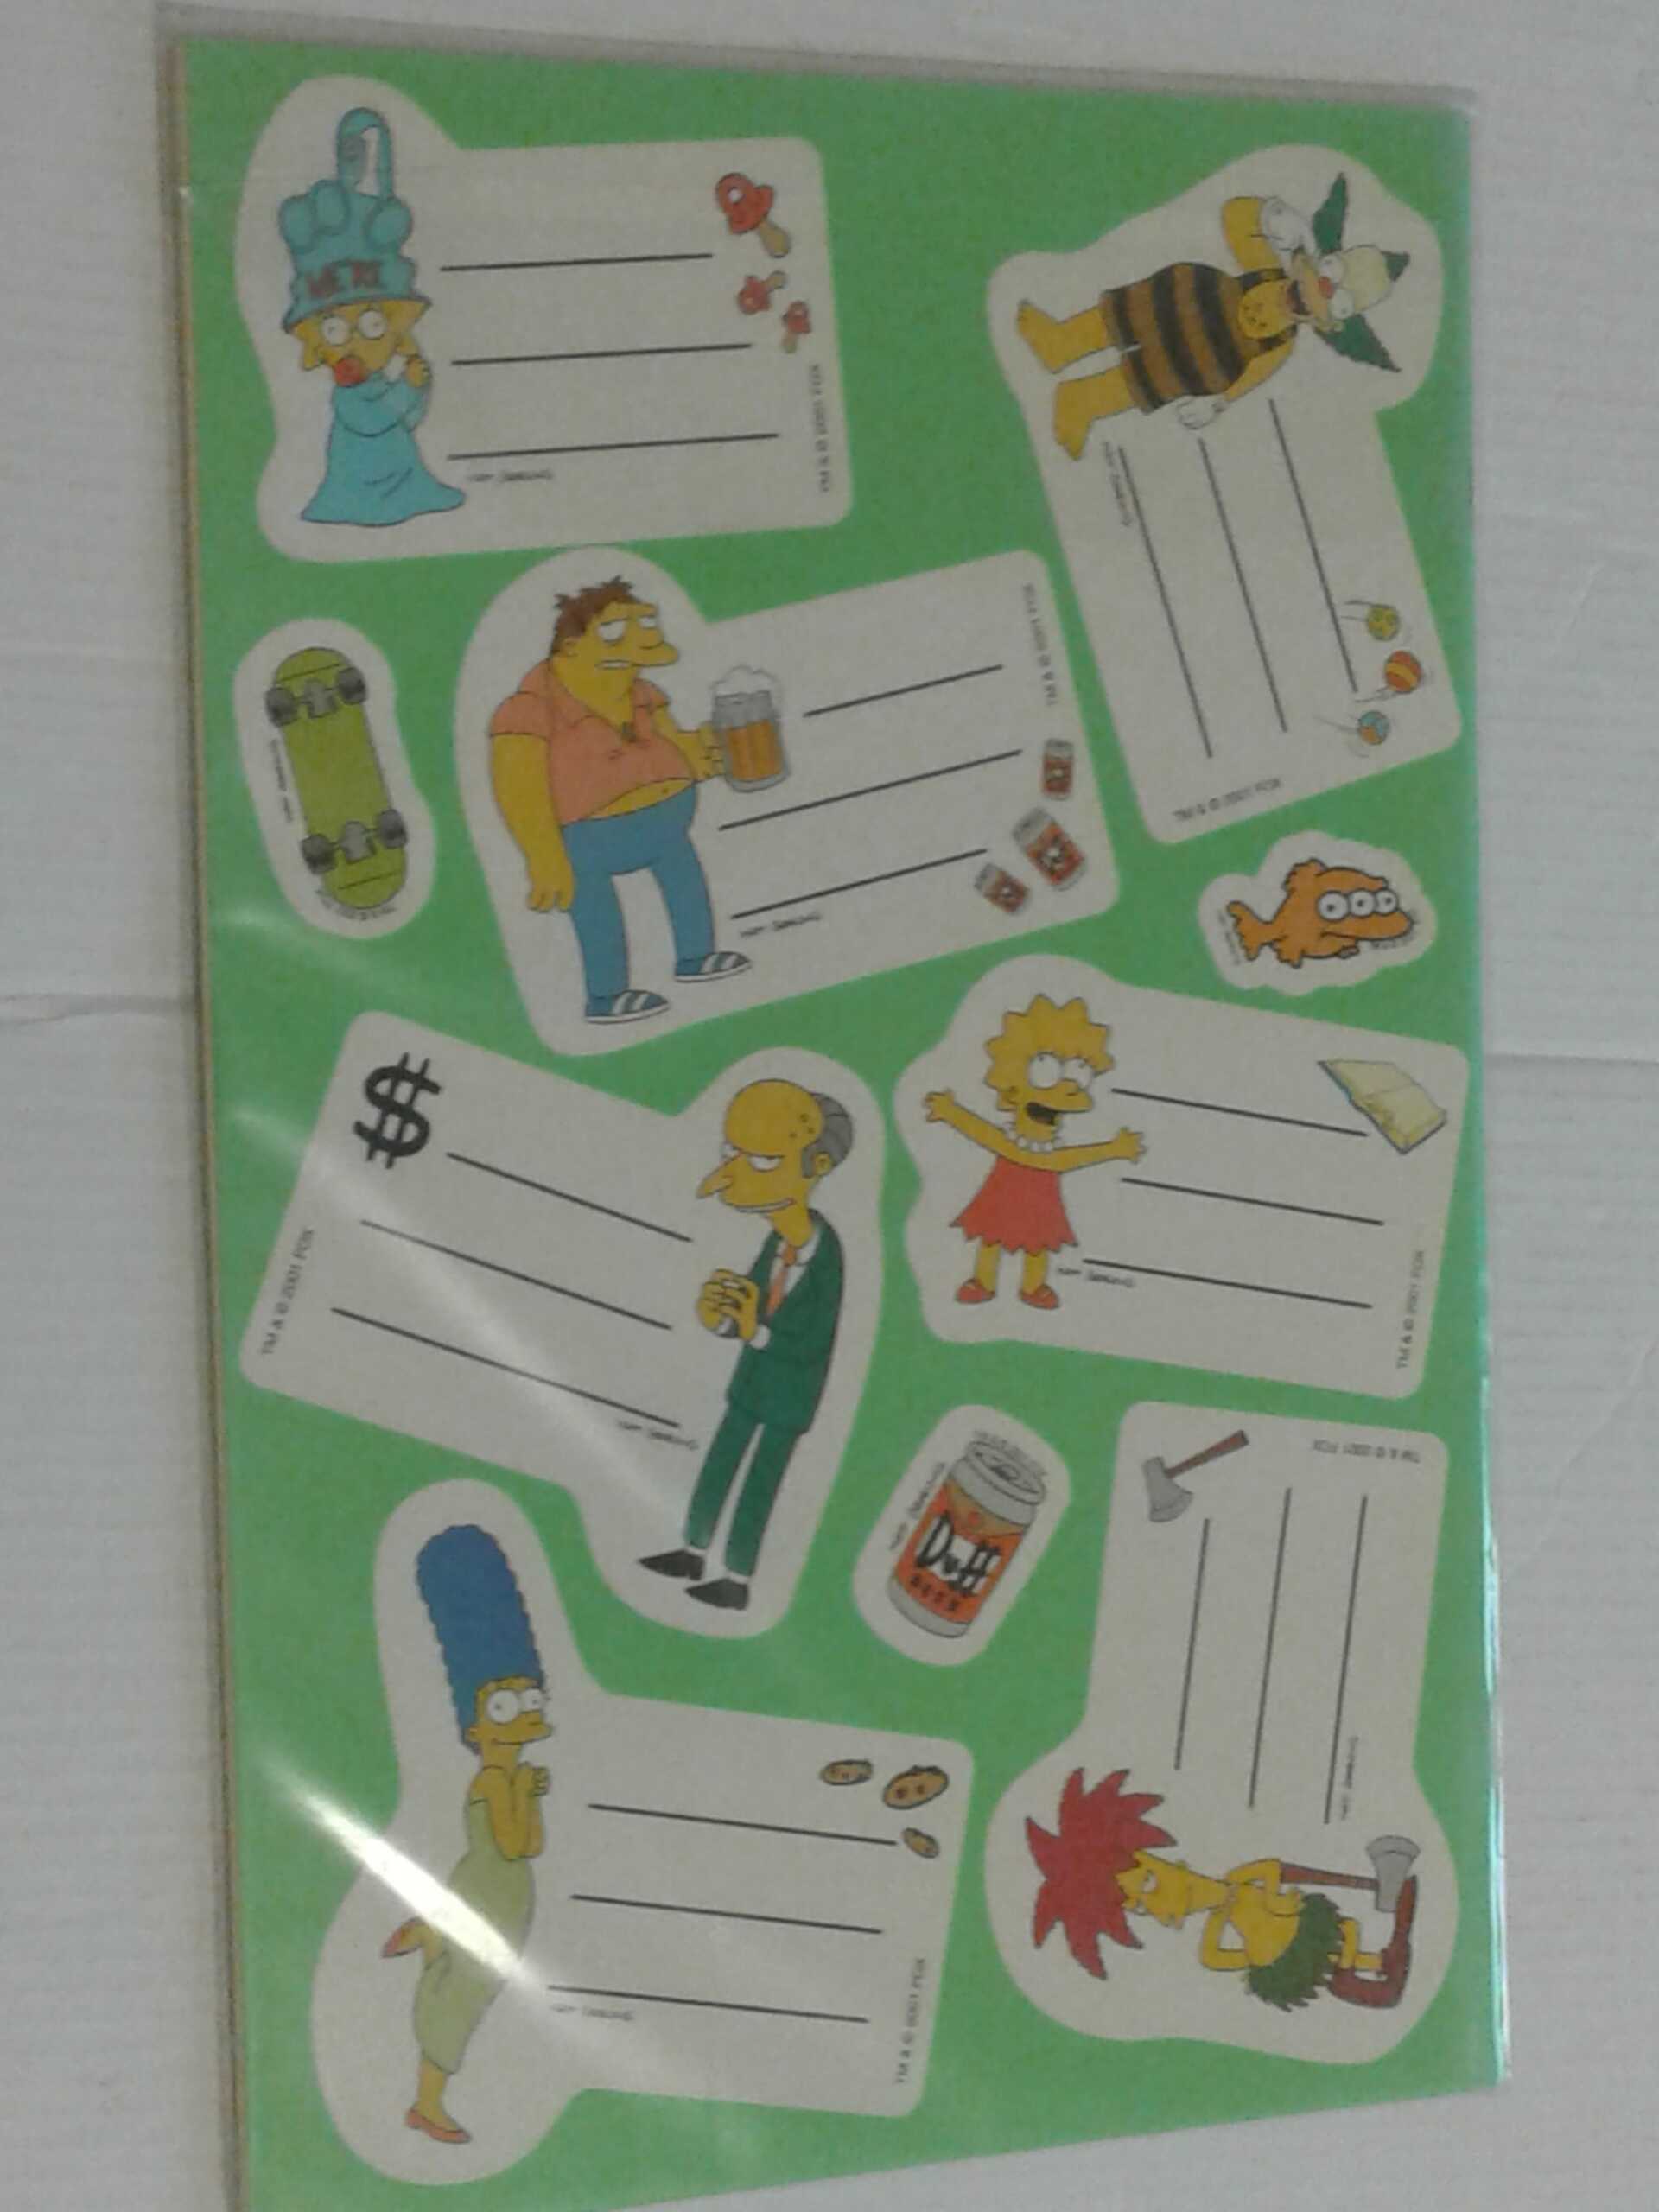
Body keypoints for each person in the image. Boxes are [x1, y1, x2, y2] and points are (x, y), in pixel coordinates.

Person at [490, 579, 751, 1023]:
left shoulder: (641, 693)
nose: (640, 634)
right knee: (594, 906)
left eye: (644, 621)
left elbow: (673, 740)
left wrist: (701, 751)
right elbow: (518, 787)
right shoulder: (531, 709)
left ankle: (696, 955)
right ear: (572, 647)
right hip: (588, 838)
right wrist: (544, 856)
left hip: (668, 827)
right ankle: (607, 995)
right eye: (614, 629)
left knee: (683, 876)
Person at [640, 1080, 851, 1612]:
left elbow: (812, 1340)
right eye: (731, 1153)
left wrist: (755, 1329)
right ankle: (692, 1550)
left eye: (762, 1160)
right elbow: (753, 1301)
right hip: (752, 1381)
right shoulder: (776, 1241)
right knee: (720, 1461)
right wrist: (722, 1320)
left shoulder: (827, 1256)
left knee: (761, 1482)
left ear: (816, 1166)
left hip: (790, 1394)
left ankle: (736, 1578)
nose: (732, 1172)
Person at [1014, 175, 1409, 457]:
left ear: (1329, 322)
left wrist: (1219, 403)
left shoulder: (1281, 347)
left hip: (1196, 363)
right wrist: (1272, 213)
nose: (1311, 297)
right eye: (1321, 279)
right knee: (1117, 319)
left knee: (1140, 381)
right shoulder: (1265, 266)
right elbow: (1234, 218)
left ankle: (1079, 402)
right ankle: (1058, 343)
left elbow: (1253, 375)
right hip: (1174, 303)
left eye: (1325, 304)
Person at [381, 1526, 550, 2145]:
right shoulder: (496, 1780)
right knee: (466, 1993)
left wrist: (527, 1793)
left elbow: (526, 1844)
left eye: (529, 1700)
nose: (525, 1713)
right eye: (506, 1706)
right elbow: (519, 1843)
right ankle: (427, 2104)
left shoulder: (504, 1776)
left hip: (497, 1887)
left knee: (469, 1983)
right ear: (476, 1726)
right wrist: (524, 1793)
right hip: (493, 1886)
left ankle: (430, 1935)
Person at [1027, 1766, 1419, 2011]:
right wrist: (1243, 1945)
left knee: (1348, 1935)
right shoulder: (1222, 1908)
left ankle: (1385, 1954)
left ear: (1163, 1861)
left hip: (1291, 1926)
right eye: (1143, 1909)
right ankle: (1385, 1961)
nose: (1160, 1906)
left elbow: (1271, 1869)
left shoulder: (1236, 1878)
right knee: (1342, 1979)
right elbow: (1213, 1956)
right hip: (1274, 1953)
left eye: (1149, 1882)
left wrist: (1271, 1899)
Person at [277, 108, 464, 526]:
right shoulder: (348, 396)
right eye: (334, 330)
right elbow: (373, 419)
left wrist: (420, 384)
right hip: (361, 484)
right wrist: (406, 387)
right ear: (317, 342)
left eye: (374, 324)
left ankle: (415, 493)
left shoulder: (380, 383)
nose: (357, 342)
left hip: (402, 472)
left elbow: (409, 420)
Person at [924, 992, 1143, 1311]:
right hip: (1002, 1193)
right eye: (1048, 1070)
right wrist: (949, 1111)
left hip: (1040, 1199)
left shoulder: (1049, 1153)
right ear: (1013, 1089)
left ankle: (1032, 1286)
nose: (1067, 1088)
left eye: (1079, 1074)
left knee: (1038, 1242)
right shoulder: (1011, 1142)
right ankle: (984, 1282)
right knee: (991, 1236)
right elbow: (985, 1134)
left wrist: (1114, 1149)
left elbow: (1065, 1159)